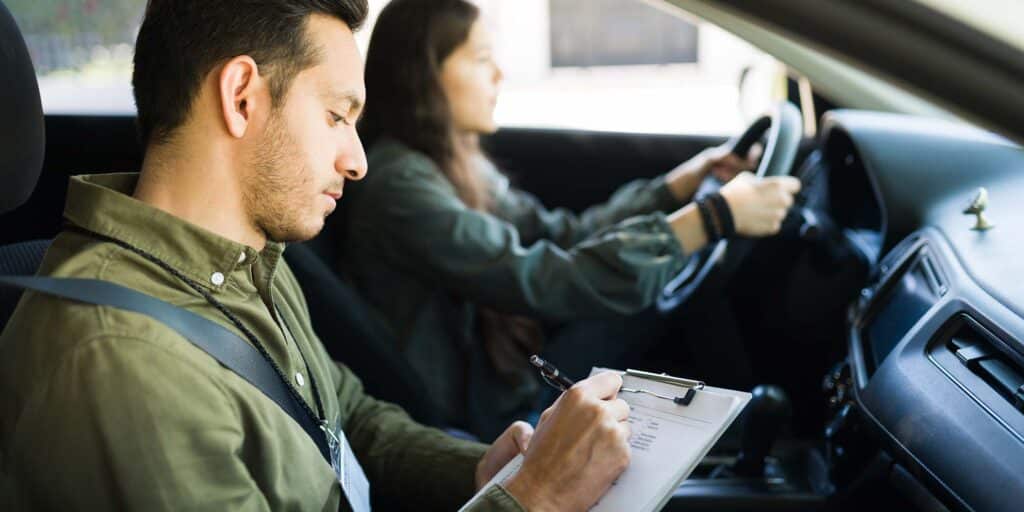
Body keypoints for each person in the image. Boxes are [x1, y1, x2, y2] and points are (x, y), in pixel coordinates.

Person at [0, 1, 634, 510]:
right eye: (337, 116)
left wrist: (482, 470)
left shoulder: (249, 261)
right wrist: (534, 498)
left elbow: (343, 418)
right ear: (242, 97)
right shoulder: (123, 359)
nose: (357, 161)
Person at [338, 0, 801, 439]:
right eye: (481, 60)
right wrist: (711, 218)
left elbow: (565, 235)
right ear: (424, 74)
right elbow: (544, 278)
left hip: (502, 381)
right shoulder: (401, 186)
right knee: (645, 296)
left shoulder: (454, 163)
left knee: (650, 290)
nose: (499, 73)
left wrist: (677, 187)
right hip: (479, 416)